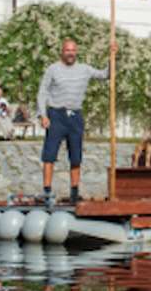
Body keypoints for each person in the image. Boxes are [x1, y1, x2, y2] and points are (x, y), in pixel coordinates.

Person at [36, 38, 110, 206]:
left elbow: (106, 75)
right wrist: (43, 115)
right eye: (67, 50)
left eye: (73, 50)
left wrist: (112, 57)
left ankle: (74, 193)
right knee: (49, 155)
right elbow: (42, 92)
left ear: (76, 52)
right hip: (56, 115)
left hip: (75, 116)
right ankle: (47, 191)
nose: (70, 53)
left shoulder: (84, 69)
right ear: (62, 52)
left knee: (76, 157)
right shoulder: (53, 69)